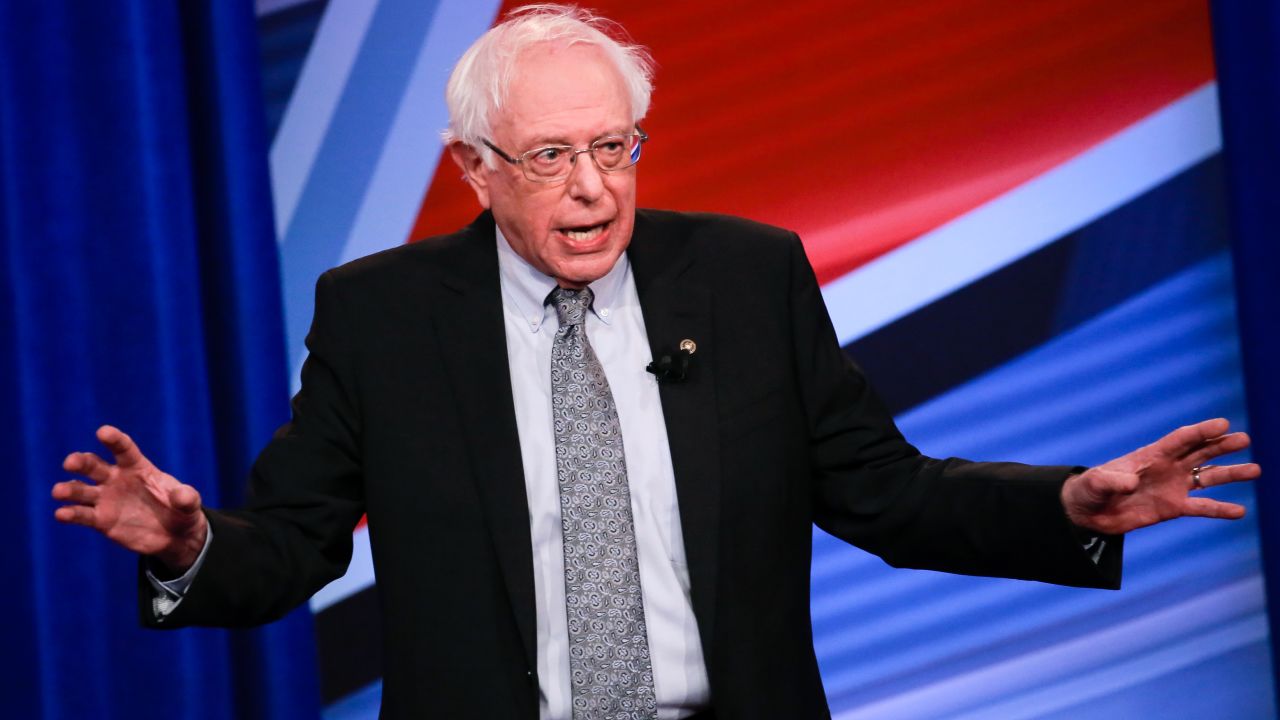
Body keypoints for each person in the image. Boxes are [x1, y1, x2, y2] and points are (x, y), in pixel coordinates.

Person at [51, 5, 1261, 719]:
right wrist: (191, 543)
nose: (591, 187)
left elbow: (885, 493)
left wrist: (1067, 505)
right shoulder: (382, 315)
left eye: (614, 148)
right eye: (548, 158)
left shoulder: (746, 278)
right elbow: (298, 537)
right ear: (473, 167)